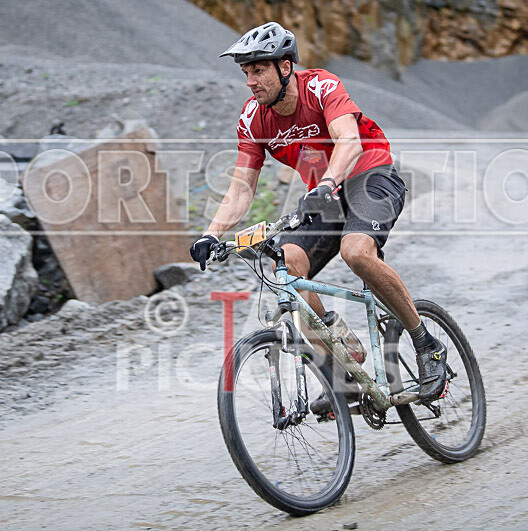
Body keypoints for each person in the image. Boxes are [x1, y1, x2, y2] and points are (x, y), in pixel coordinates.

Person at [190, 22, 447, 405]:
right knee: (286, 264)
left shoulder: (321, 86)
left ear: (285, 67)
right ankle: (343, 364)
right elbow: (242, 187)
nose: (250, 81)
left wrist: (327, 183)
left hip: (370, 174)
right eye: (245, 72)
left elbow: (349, 140)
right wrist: (210, 235)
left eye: (258, 70)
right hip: (325, 194)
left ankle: (426, 343)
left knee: (356, 252)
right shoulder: (252, 119)